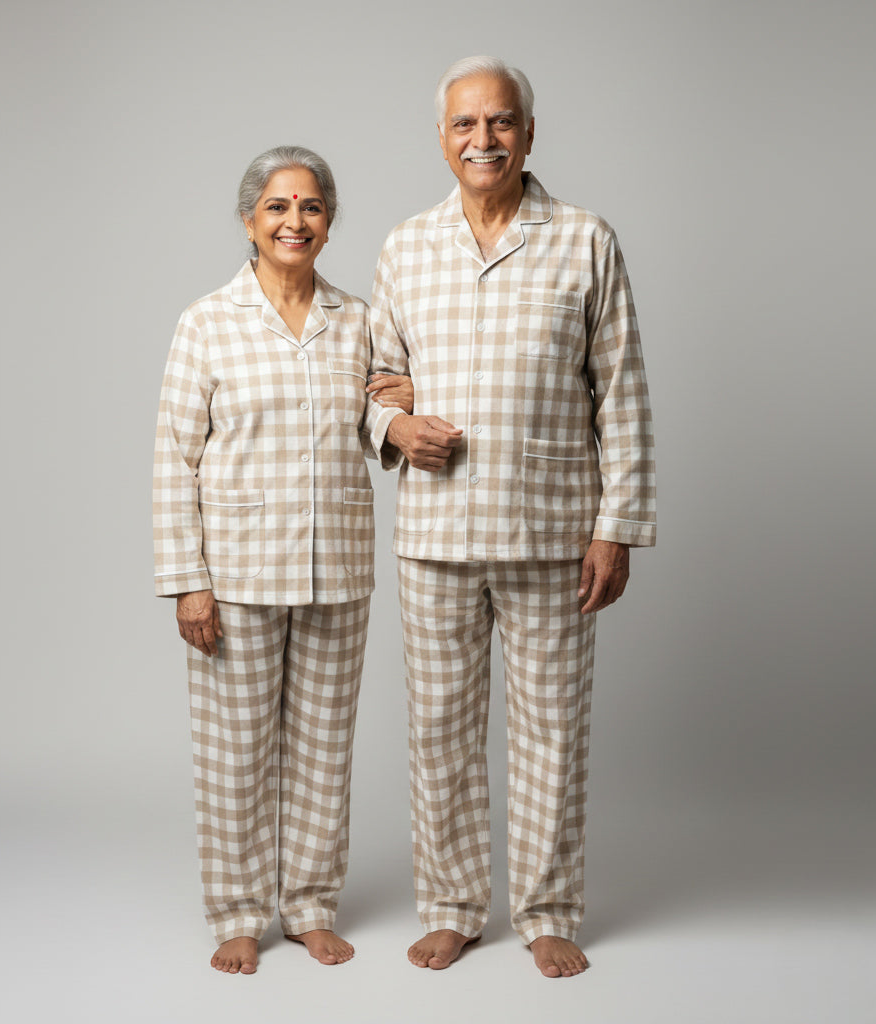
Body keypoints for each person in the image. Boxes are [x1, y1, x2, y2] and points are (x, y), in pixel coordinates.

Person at [367, 56, 656, 978]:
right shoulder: (405, 246)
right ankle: (454, 906)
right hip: (436, 536)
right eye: (465, 124)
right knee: (439, 732)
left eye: (500, 122)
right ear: (441, 139)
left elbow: (622, 393)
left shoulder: (585, 239)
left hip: (552, 533)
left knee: (552, 732)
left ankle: (547, 909)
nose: (482, 139)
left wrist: (616, 526)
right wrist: (394, 426)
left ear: (529, 135)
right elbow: (373, 382)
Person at [153, 146, 412, 974]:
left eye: (310, 206)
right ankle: (237, 913)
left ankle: (308, 906)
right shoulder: (206, 322)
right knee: (235, 753)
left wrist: (401, 405)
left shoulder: (360, 320)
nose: (294, 221)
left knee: (324, 749)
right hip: (236, 576)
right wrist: (188, 583)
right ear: (248, 221)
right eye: (277, 206)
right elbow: (174, 460)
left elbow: (379, 423)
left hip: (337, 567)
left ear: (328, 222)